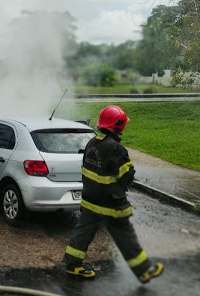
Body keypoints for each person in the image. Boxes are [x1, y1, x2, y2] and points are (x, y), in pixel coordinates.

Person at [63, 105, 163, 283]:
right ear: (118, 126)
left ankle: (72, 266)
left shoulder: (92, 142)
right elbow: (127, 176)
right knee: (125, 235)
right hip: (111, 203)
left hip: (89, 199)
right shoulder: (115, 148)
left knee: (83, 232)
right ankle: (144, 270)